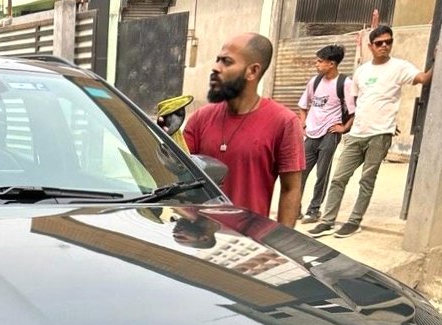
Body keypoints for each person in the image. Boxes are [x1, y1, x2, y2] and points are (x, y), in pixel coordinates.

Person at [308, 25, 433, 239]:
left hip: (380, 134)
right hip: (357, 133)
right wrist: (349, 126)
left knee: (367, 180)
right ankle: (327, 220)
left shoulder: (400, 67)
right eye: (379, 43)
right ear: (370, 46)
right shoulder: (362, 71)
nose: (384, 45)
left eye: (388, 42)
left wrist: (437, 59)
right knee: (338, 177)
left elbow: (423, 79)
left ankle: (353, 221)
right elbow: (357, 101)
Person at [184, 33, 305, 227]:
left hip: (248, 239)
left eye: (227, 62)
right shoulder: (200, 118)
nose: (215, 68)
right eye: (217, 60)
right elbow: (176, 174)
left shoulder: (284, 122)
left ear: (252, 71)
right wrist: (162, 139)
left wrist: (282, 244)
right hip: (200, 236)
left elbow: (291, 189)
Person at [297, 44, 354, 224]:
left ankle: (314, 210)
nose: (316, 64)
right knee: (300, 173)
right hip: (311, 134)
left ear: (331, 64)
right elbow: (303, 106)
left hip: (330, 134)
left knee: (322, 174)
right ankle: (294, 208)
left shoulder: (345, 83)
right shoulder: (314, 82)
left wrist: (344, 128)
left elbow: (353, 111)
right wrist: (303, 124)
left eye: (320, 61)